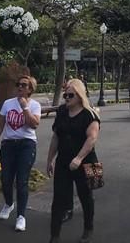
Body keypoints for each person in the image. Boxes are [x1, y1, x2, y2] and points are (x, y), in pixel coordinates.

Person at [47, 79, 100, 243]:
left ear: (79, 96)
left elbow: (92, 139)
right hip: (64, 161)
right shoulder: (62, 111)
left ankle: (88, 229)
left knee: (86, 196)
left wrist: (79, 158)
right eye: (65, 95)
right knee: (59, 199)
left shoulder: (89, 114)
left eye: (70, 95)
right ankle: (54, 236)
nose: (67, 98)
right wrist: (50, 160)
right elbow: (56, 137)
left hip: (86, 161)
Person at [0, 75, 42, 232]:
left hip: (27, 145)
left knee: (22, 181)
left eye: (24, 85)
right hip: (9, 145)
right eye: (18, 84)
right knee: (6, 179)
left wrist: (25, 108)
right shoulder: (8, 104)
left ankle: (21, 216)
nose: (20, 87)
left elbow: (34, 125)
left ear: (30, 89)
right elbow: (0, 125)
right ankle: (9, 203)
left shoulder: (35, 105)